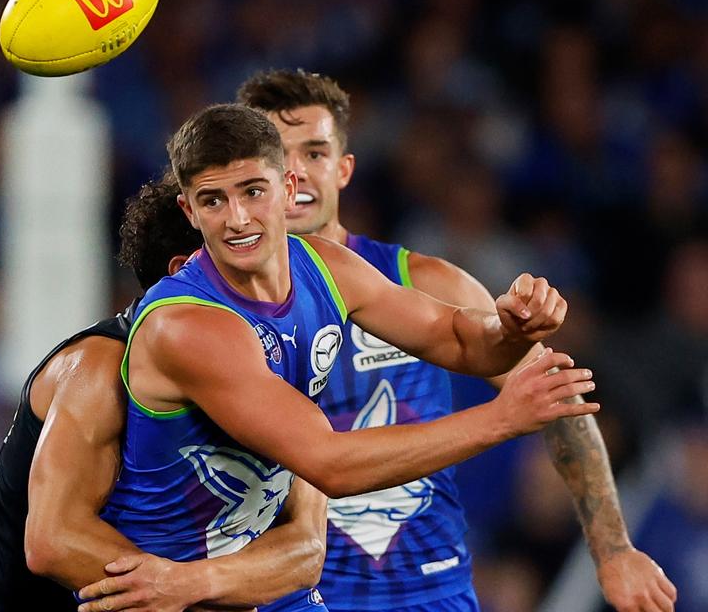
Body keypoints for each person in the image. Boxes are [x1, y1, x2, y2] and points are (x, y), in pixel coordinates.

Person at [62, 104, 595, 612]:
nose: (238, 218)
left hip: (257, 576)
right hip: (164, 587)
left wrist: (511, 327)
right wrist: (499, 419)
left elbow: (458, 338)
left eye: (253, 191)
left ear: (287, 189)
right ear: (190, 210)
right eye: (213, 200)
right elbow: (329, 464)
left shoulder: (326, 268)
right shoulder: (187, 325)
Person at [236, 69, 677, 612]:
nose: (297, 174)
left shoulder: (423, 282)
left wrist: (613, 551)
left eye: (316, 153)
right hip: (282, 598)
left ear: (345, 168)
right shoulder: (211, 310)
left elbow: (557, 399)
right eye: (280, 156)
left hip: (427, 596)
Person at [0, 181, 331, 612]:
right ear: (185, 271)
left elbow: (306, 547)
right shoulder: (98, 372)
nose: (274, 278)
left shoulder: (286, 366)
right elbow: (52, 541)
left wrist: (196, 585)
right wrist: (193, 593)